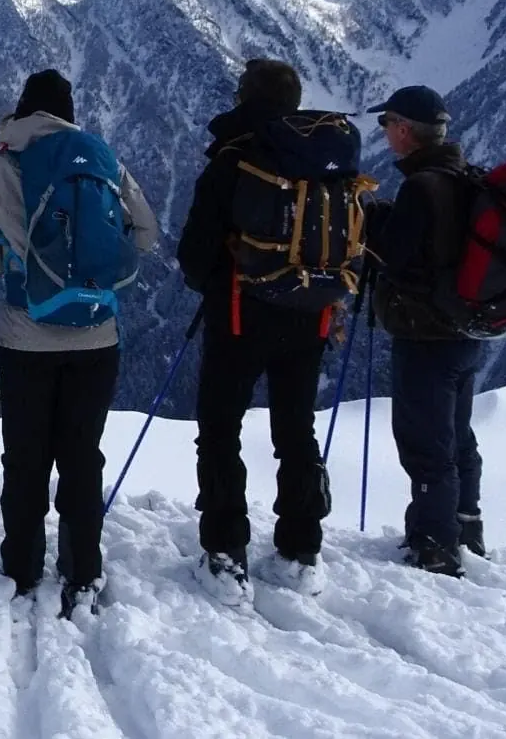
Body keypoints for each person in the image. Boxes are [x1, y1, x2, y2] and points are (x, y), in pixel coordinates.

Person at [0, 70, 159, 618]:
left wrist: (13, 269)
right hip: (96, 336)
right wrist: (101, 275)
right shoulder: (102, 159)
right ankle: (82, 569)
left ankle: (21, 566)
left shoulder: (1, 163)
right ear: (68, 112)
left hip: (24, 337)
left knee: (26, 457)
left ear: (22, 112)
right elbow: (146, 233)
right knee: (82, 457)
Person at [176, 59, 352, 604]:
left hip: (238, 315)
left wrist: (211, 281)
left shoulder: (235, 157)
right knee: (296, 429)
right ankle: (302, 550)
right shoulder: (327, 159)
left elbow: (194, 251)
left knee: (221, 429)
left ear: (244, 96)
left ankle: (226, 553)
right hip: (310, 315)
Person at [365, 85, 485, 578]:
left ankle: (435, 545)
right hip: (467, 327)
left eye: (387, 124)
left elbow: (393, 257)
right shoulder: (462, 176)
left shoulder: (420, 186)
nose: (385, 134)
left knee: (424, 440)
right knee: (457, 434)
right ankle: (466, 524)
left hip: (425, 332)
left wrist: (372, 229)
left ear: (404, 130)